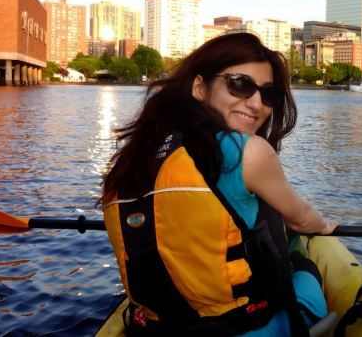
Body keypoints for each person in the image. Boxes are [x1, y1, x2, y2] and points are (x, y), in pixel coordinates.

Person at [101, 32, 337, 336]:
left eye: (269, 94)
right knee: (303, 265)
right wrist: (323, 226)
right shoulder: (249, 152)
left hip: (156, 328)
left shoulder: (130, 161)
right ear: (200, 87)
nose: (256, 104)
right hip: (245, 327)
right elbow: (302, 217)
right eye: (240, 84)